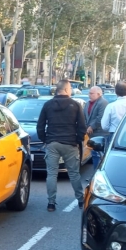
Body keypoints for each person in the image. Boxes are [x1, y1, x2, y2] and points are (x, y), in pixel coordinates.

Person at [36, 79, 87, 212]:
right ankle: (81, 200)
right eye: (70, 89)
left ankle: (51, 203)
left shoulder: (48, 105)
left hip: (53, 143)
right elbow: (82, 127)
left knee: (52, 174)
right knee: (74, 174)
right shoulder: (75, 105)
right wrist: (77, 140)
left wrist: (46, 140)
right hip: (70, 143)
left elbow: (40, 126)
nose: (70, 91)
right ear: (65, 90)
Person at [85, 86, 108, 170]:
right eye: (89, 93)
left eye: (91, 93)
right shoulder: (88, 103)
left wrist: (91, 126)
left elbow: (100, 117)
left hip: (99, 132)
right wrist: (86, 127)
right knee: (94, 154)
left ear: (98, 94)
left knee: (99, 155)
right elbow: (85, 116)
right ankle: (94, 172)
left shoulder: (103, 103)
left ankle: (97, 172)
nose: (89, 95)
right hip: (90, 133)